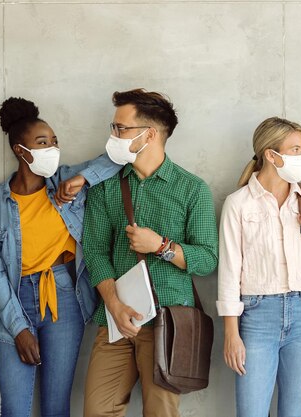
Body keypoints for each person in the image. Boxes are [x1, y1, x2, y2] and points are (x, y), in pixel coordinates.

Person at [0, 97, 122, 417]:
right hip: (13, 302)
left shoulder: (66, 181)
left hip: (64, 298)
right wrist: (18, 328)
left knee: (56, 407)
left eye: (55, 142)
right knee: (14, 409)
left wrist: (82, 179)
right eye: (42, 142)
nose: (52, 149)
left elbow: (120, 159)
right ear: (20, 150)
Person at [82, 88, 218, 417]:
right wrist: (113, 304)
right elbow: (95, 250)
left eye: (120, 128)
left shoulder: (192, 188)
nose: (113, 135)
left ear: (150, 134)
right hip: (114, 320)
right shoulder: (107, 187)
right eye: (113, 127)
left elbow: (207, 259)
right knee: (96, 411)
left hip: (168, 323)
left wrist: (161, 246)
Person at [217, 116, 301, 417]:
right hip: (258, 316)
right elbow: (230, 272)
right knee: (251, 412)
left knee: (295, 412)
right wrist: (231, 335)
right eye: (295, 149)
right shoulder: (238, 203)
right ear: (271, 155)